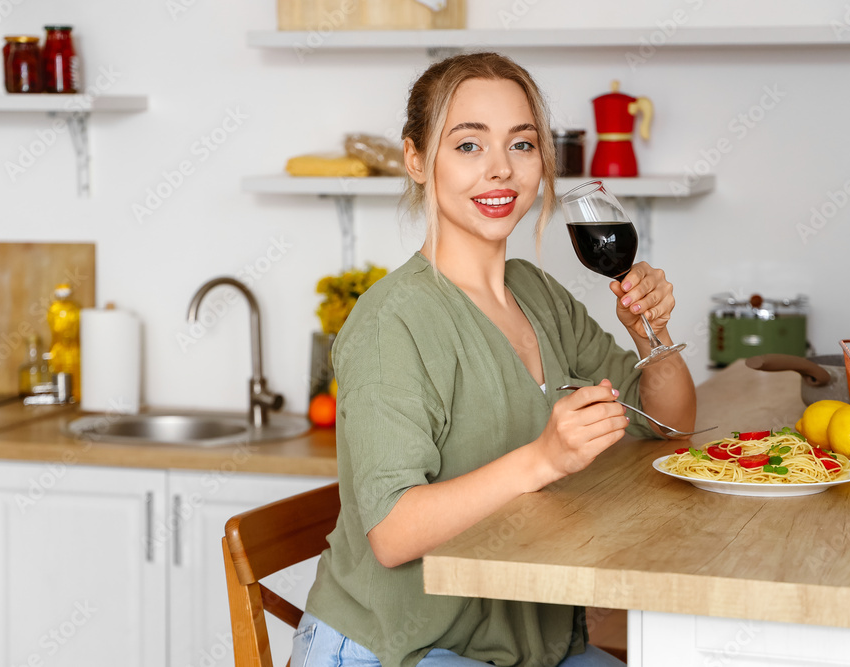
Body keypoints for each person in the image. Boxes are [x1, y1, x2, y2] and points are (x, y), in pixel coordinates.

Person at [296, 52, 696, 667]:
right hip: (402, 647)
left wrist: (652, 336)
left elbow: (665, 422)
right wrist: (543, 459)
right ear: (415, 160)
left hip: (526, 645)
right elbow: (392, 533)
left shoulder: (535, 292)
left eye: (523, 144)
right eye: (468, 146)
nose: (501, 171)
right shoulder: (392, 322)